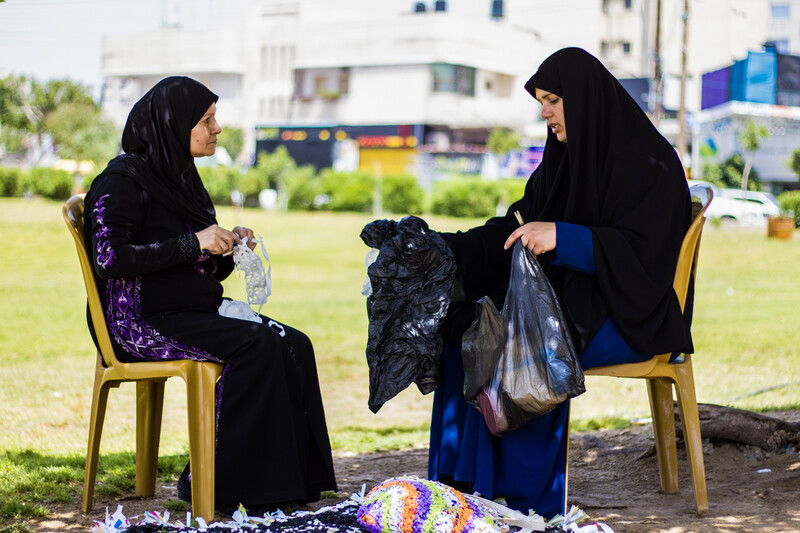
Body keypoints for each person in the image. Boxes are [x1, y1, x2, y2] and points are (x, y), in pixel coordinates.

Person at [428, 48, 694, 517]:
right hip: (578, 301)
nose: (546, 112)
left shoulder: (649, 163)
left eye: (553, 99)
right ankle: (459, 486)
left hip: (631, 313)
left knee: (526, 342)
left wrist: (565, 237)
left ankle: (526, 503)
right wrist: (445, 249)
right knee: (469, 324)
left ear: (587, 99)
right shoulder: (565, 159)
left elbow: (644, 254)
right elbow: (516, 224)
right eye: (542, 102)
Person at [82, 76, 337, 515]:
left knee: (293, 344)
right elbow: (110, 259)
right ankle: (215, 482)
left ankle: (288, 484)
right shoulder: (123, 180)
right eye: (206, 119)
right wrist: (193, 243)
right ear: (171, 125)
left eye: (214, 117)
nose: (216, 128)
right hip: (136, 320)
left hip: (187, 308)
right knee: (255, 348)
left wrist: (227, 249)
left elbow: (199, 266)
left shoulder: (181, 179)